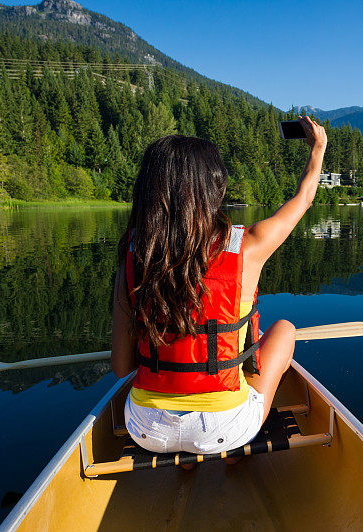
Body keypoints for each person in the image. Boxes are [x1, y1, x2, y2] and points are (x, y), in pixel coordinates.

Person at [110, 116, 327, 468]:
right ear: (216, 190)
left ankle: (188, 464)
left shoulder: (134, 257)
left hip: (145, 429)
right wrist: (318, 148)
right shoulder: (249, 246)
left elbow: (121, 367)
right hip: (223, 429)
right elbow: (302, 199)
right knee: (285, 330)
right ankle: (235, 460)